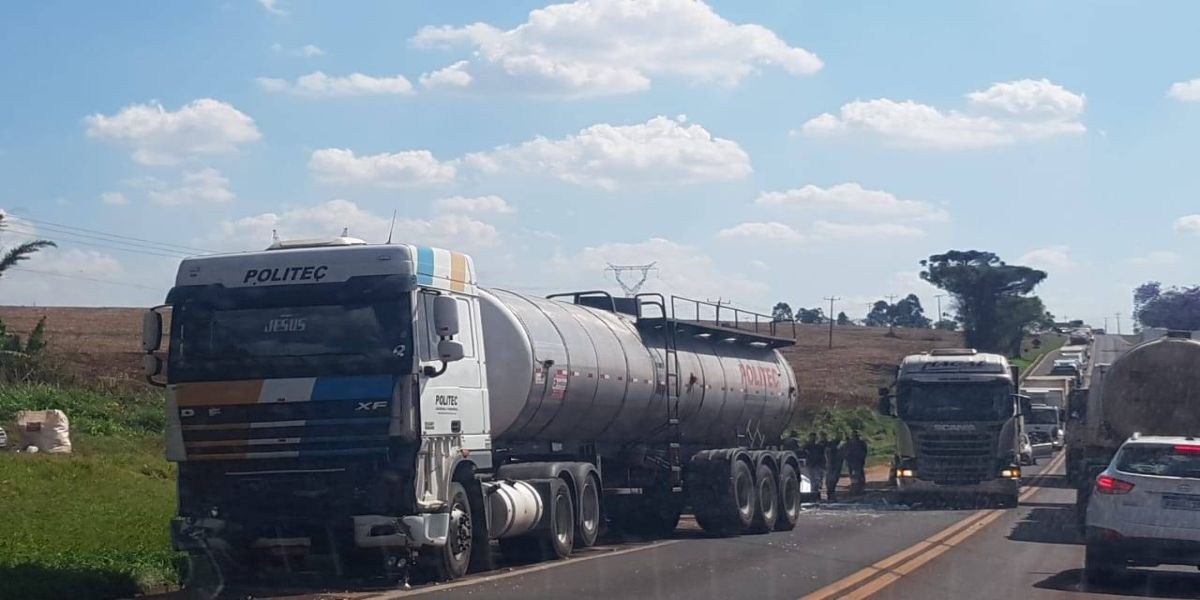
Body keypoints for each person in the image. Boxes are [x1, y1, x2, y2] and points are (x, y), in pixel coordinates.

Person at [844, 430, 869, 495]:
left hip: (858, 462)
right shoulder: (848, 444)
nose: (855, 437)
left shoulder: (861, 443)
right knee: (853, 476)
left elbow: (864, 452)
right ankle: (855, 489)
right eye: (854, 435)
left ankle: (859, 489)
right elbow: (845, 452)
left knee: (859, 476)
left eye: (856, 436)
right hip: (851, 462)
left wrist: (861, 459)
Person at [801, 432, 826, 498]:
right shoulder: (807, 446)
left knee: (816, 481)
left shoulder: (819, 446)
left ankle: (816, 494)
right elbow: (802, 452)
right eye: (811, 437)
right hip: (810, 465)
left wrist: (823, 464)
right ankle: (813, 494)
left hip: (817, 465)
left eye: (814, 437)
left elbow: (822, 456)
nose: (813, 438)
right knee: (811, 480)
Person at [825, 432, 845, 502]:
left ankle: (831, 494)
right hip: (831, 464)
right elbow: (827, 452)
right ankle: (830, 495)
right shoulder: (831, 443)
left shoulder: (843, 444)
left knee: (835, 479)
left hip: (838, 464)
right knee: (830, 480)